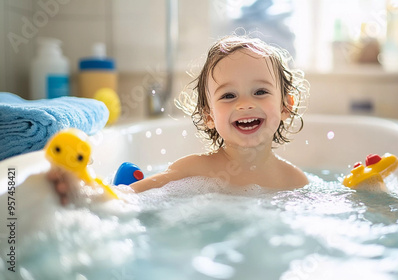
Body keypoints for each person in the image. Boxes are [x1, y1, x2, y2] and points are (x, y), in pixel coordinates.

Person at [48, 35, 310, 204]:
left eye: (260, 91)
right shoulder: (192, 170)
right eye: (229, 95)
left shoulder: (295, 181)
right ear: (209, 115)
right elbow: (128, 196)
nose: (245, 104)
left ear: (286, 106)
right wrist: (84, 190)